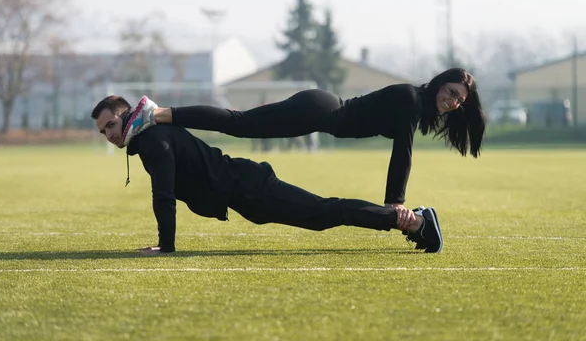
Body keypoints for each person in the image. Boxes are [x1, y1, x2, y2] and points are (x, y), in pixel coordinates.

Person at [91, 95, 444, 255]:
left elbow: (163, 196)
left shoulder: (153, 140)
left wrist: (165, 247)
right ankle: (411, 221)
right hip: (247, 193)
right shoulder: (151, 137)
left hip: (250, 188)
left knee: (325, 212)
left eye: (111, 124)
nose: (108, 134)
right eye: (103, 131)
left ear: (127, 117)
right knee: (323, 212)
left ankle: (414, 222)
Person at [121, 68, 486, 217]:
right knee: (240, 123)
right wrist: (395, 202)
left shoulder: (418, 104)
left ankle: (158, 113)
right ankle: (157, 112)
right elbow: (402, 152)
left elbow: (403, 147)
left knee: (240, 123)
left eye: (458, 101)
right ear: (440, 82)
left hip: (320, 113)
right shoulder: (410, 99)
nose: (452, 101)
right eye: (451, 92)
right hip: (320, 111)